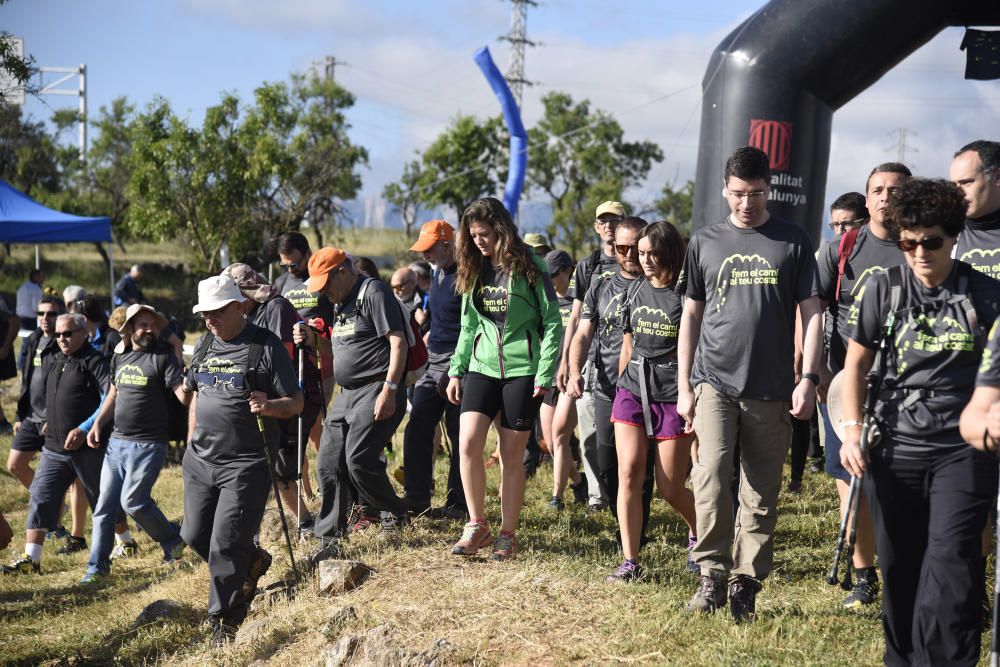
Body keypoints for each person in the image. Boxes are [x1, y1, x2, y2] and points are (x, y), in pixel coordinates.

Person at [841, 178, 1000, 666]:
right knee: (902, 570)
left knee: (952, 569)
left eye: (931, 241)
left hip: (963, 450)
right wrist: (851, 428)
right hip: (895, 447)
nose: (919, 253)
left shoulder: (986, 295)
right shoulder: (884, 289)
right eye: (908, 242)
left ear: (953, 236)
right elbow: (856, 366)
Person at [678, 146, 822, 622]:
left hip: (773, 384)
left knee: (761, 488)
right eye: (738, 194)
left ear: (769, 188)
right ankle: (711, 574)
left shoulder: (794, 241)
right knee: (712, 476)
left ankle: (746, 581)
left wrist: (808, 378)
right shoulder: (705, 241)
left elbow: (813, 313)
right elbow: (691, 315)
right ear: (725, 189)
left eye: (756, 193)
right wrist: (684, 385)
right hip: (714, 381)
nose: (747, 203)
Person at [182, 275, 302, 644]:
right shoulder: (204, 344)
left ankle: (225, 617)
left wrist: (269, 406)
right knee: (194, 535)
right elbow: (196, 394)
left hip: (246, 463)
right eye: (205, 313)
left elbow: (296, 403)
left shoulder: (265, 346)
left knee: (224, 544)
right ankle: (251, 561)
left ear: (238, 306)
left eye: (217, 311)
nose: (210, 319)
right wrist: (190, 443)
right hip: (200, 460)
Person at [446, 197, 562, 561]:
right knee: (467, 445)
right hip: (481, 368)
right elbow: (468, 326)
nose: (479, 241)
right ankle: (477, 524)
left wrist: (544, 373)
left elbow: (552, 323)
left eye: (485, 233)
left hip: (521, 371)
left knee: (511, 456)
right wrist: (456, 369)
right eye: (473, 235)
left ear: (502, 230)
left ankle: (507, 534)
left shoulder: (531, 265)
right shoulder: (474, 269)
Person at [816, 165, 910, 608]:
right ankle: (862, 575)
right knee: (850, 485)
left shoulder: (922, 247)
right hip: (844, 386)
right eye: (877, 190)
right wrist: (810, 371)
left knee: (898, 487)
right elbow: (813, 311)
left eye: (895, 190)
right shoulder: (840, 250)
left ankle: (906, 573)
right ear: (866, 199)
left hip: (905, 391)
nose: (885, 198)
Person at [294, 247, 410, 543]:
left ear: (342, 272)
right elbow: (342, 350)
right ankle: (329, 536)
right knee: (328, 461)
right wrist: (315, 340)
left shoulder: (373, 293)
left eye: (325, 284)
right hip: (346, 394)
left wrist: (390, 389)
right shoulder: (340, 302)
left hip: (376, 387)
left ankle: (394, 511)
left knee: (358, 459)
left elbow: (398, 343)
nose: (323, 293)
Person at [605, 221, 697, 582]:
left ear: (670, 253)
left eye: (651, 254)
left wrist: (692, 400)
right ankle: (630, 561)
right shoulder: (635, 291)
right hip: (631, 390)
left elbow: (697, 352)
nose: (644, 261)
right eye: (641, 253)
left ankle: (698, 532)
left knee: (670, 488)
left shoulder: (687, 295)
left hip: (673, 395)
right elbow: (628, 343)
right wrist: (619, 390)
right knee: (628, 473)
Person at [79, 305, 188, 584]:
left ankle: (172, 540)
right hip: (117, 443)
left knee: (134, 502)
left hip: (149, 444)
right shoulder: (121, 356)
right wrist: (97, 424)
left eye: (153, 324)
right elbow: (113, 395)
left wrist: (195, 390)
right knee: (104, 507)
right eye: (143, 325)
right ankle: (97, 567)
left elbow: (182, 394)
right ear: (129, 329)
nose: (149, 329)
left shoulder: (163, 357)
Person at [567, 217, 655, 549]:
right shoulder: (601, 284)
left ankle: (633, 536)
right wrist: (575, 370)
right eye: (622, 247)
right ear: (613, 247)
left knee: (640, 469)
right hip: (606, 387)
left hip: (647, 389)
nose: (630, 254)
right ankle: (627, 524)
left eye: (636, 247)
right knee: (607, 465)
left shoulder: (660, 285)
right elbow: (583, 333)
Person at [2, 314, 111, 575]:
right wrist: (49, 420)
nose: (61, 338)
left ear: (83, 333)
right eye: (59, 335)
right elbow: (48, 396)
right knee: (40, 496)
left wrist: (85, 428)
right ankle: (32, 560)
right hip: (53, 447)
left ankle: (125, 542)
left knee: (102, 501)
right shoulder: (54, 357)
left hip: (87, 447)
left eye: (68, 334)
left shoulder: (95, 361)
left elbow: (110, 397)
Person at [223, 263, 321, 533]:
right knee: (275, 468)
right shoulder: (247, 315)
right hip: (268, 400)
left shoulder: (275, 307)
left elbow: (282, 357)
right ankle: (304, 520)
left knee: (282, 469)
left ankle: (308, 523)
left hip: (291, 396)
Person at [558, 201, 627, 513]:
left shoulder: (637, 260)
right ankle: (598, 496)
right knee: (589, 431)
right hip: (592, 359)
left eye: (615, 220)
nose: (609, 226)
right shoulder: (588, 266)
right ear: (597, 227)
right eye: (604, 221)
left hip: (629, 360)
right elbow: (575, 319)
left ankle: (627, 488)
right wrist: (566, 364)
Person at [401, 221, 467, 519]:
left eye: (430, 249)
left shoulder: (466, 276)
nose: (425, 256)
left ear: (447, 244)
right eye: (422, 250)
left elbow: (470, 325)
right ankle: (417, 498)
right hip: (433, 359)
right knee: (417, 427)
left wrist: (459, 367)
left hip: (460, 363)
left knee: (459, 433)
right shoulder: (438, 273)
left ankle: (459, 504)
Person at [273, 231, 336, 482]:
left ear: (308, 254)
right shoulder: (281, 284)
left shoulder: (324, 279)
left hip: (322, 362)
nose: (290, 269)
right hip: (292, 364)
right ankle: (305, 487)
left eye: (295, 264)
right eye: (284, 265)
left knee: (314, 424)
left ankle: (328, 477)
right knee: (298, 429)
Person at [539, 249, 586, 509]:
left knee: (560, 435)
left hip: (570, 376)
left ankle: (557, 497)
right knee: (553, 442)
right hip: (549, 375)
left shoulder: (580, 302)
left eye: (554, 275)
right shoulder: (545, 301)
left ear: (568, 271)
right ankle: (579, 481)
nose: (550, 280)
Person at [9, 297, 62, 494]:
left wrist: (54, 417)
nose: (45, 317)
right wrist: (19, 416)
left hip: (53, 420)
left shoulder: (64, 342)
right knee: (15, 465)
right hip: (31, 418)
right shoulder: (33, 339)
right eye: (41, 313)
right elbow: (26, 381)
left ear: (59, 316)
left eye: (51, 313)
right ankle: (53, 504)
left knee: (62, 475)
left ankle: (56, 515)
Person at [950, 139, 1000, 281]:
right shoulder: (945, 234)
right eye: (954, 185)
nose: (958, 192)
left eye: (966, 182)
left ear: (997, 177)